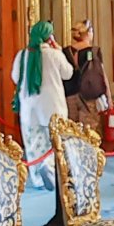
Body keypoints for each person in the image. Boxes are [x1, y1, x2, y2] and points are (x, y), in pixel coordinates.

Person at [12, 16, 68, 148]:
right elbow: (68, 73)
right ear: (50, 38)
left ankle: (35, 170)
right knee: (55, 148)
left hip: (29, 108)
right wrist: (59, 51)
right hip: (53, 108)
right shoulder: (55, 54)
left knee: (33, 149)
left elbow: (15, 77)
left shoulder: (22, 54)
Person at [63, 18, 108, 128]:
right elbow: (101, 74)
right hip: (89, 96)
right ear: (88, 33)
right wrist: (109, 98)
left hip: (69, 95)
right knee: (90, 132)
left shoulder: (65, 51)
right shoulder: (94, 51)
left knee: (71, 131)